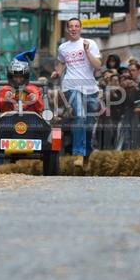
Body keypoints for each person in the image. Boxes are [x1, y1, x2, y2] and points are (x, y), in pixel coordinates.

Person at [51, 17, 102, 169]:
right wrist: (58, 73)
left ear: (80, 28)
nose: (73, 29)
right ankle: (79, 153)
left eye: (76, 26)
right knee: (80, 115)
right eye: (71, 26)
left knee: (88, 123)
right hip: (71, 85)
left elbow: (98, 66)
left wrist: (86, 51)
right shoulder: (63, 48)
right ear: (67, 29)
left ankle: (86, 154)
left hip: (90, 88)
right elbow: (61, 63)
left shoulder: (90, 43)